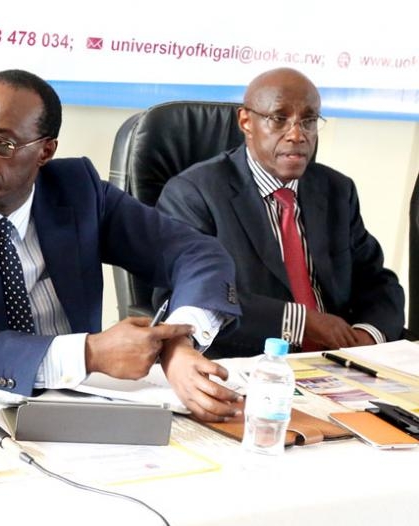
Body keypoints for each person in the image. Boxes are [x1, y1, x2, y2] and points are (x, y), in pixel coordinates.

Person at [0, 69, 243, 421]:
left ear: (45, 151)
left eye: (1, 143)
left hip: (77, 406)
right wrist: (89, 353)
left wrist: (178, 344)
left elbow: (197, 254)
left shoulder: (78, 190)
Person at [156, 67, 404, 358]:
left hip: (338, 363)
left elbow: (377, 281)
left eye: (309, 121)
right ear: (246, 121)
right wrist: (299, 323)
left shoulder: (337, 190)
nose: (297, 134)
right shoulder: (194, 193)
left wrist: (368, 335)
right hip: (248, 364)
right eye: (279, 119)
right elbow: (190, 297)